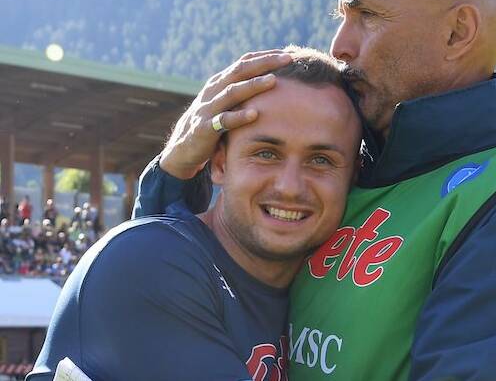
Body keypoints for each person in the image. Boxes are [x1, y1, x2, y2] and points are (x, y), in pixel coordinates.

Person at [134, 0, 496, 380]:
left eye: (367, 16)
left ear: (457, 33)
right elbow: (166, 305)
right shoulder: (339, 172)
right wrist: (173, 176)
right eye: (342, 17)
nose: (340, 46)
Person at [27, 49, 362, 381]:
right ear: (219, 164)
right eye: (266, 153)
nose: (289, 187)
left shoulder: (322, 293)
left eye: (321, 160)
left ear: (353, 179)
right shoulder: (146, 261)